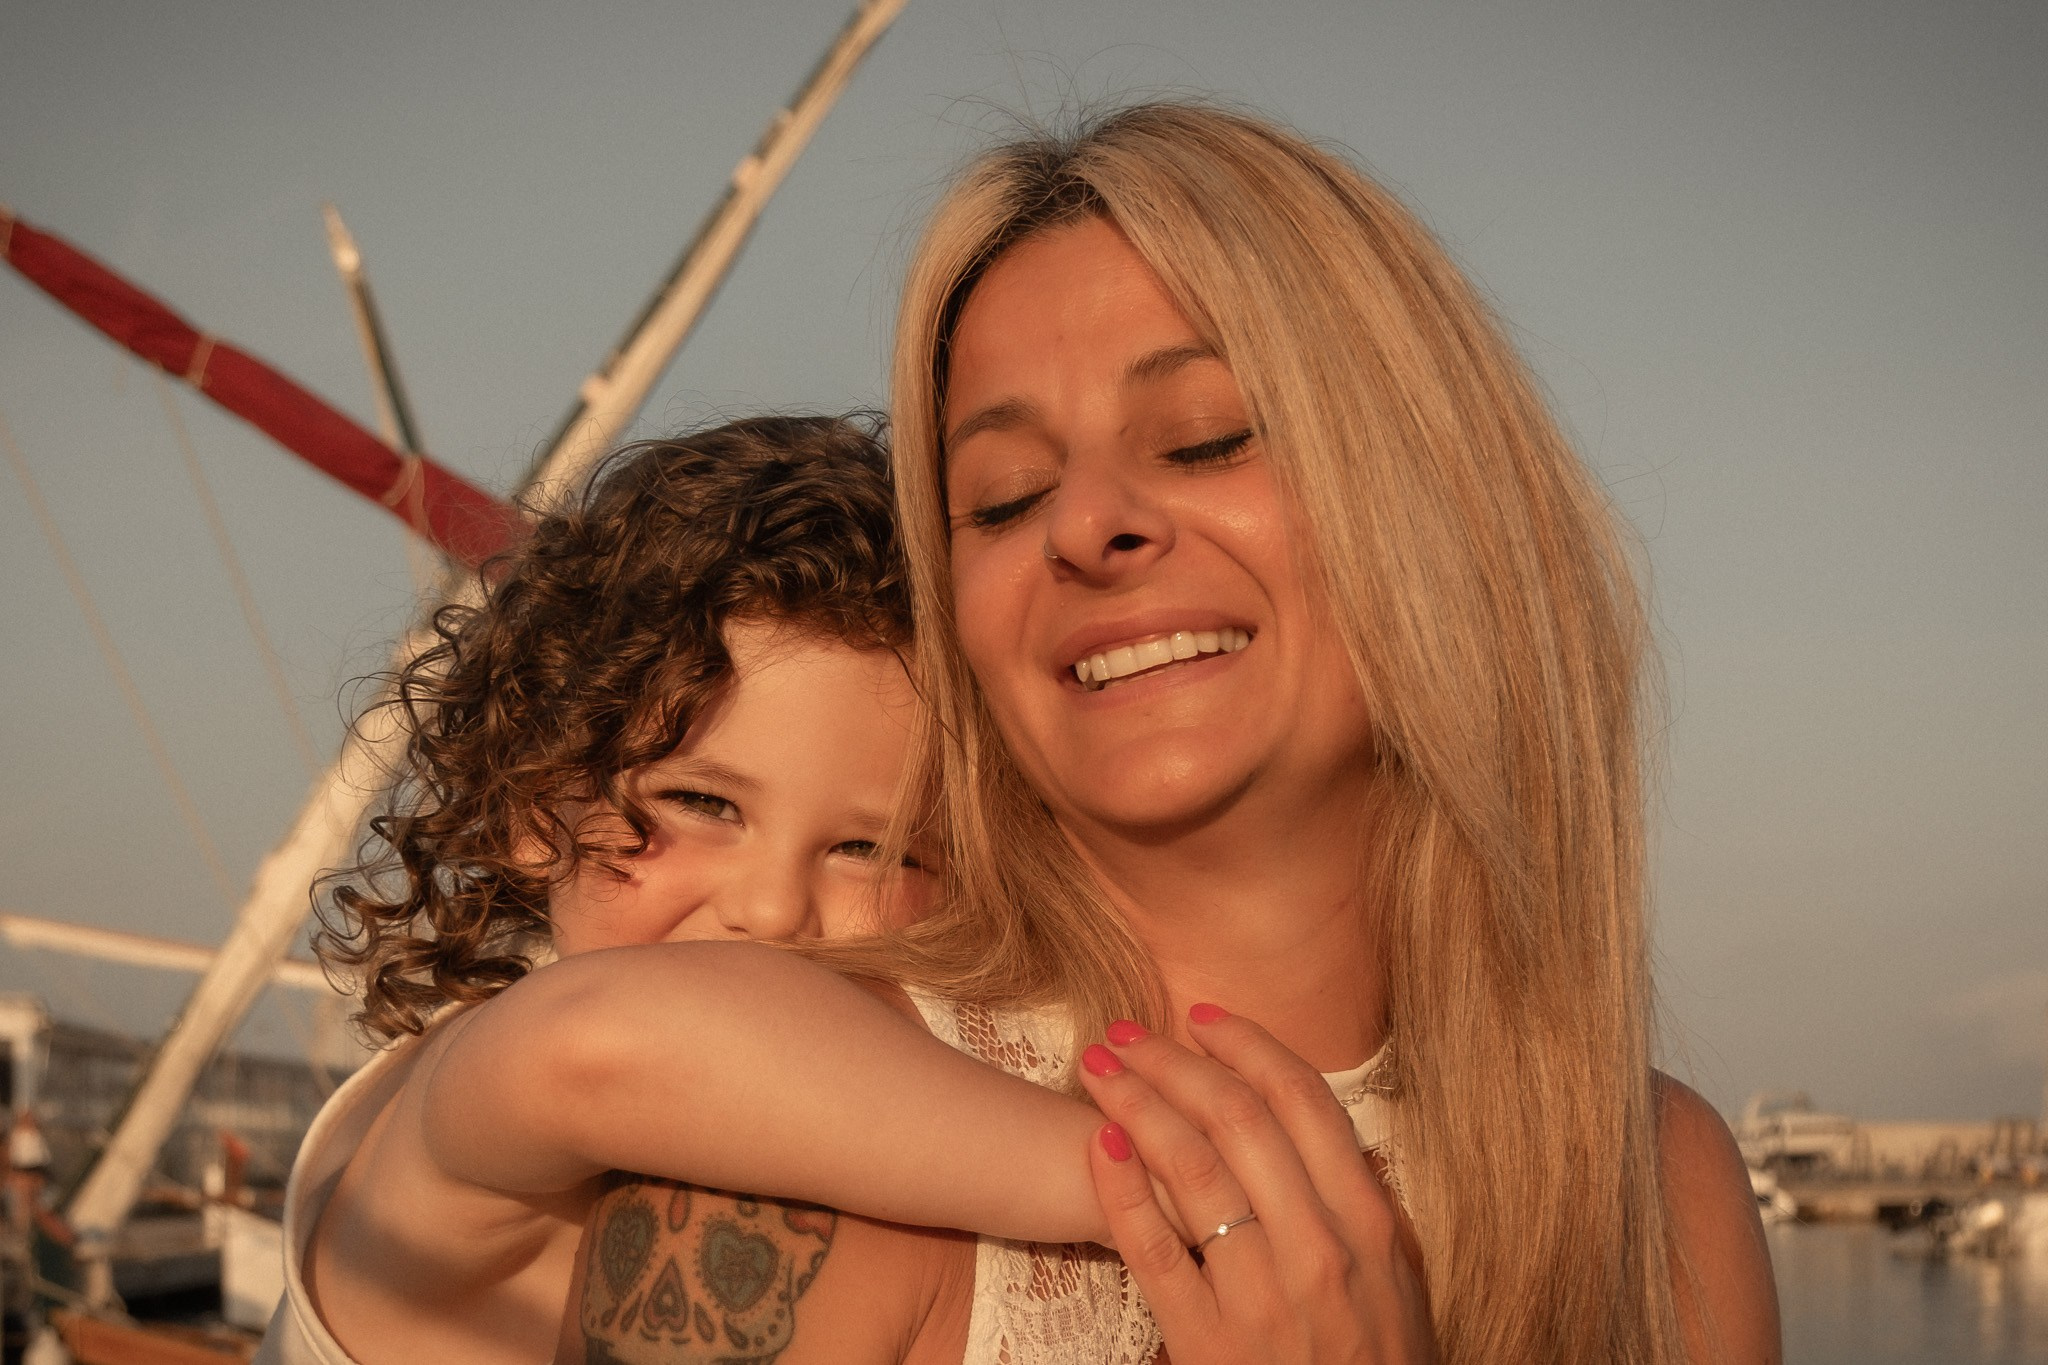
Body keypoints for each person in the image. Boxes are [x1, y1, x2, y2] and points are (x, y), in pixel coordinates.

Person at [560, 101, 1776, 1365]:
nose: (1083, 524)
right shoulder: (778, 1143)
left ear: (1434, 501)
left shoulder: (1660, 1191)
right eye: (1004, 497)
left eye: (1206, 440)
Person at [259, 416, 1013, 1364]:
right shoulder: (489, 1087)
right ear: (536, 806)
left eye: (875, 848)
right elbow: (613, 1044)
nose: (773, 907)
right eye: (702, 801)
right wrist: (1114, 1176)